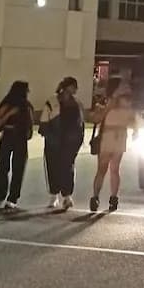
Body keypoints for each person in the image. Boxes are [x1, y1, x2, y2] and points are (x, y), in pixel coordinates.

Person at [89, 77, 135, 214]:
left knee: (112, 169)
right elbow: (96, 118)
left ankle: (110, 197)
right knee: (104, 169)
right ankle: (99, 197)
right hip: (110, 138)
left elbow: (133, 119)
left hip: (117, 137)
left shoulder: (124, 103)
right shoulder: (107, 103)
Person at [40, 77, 85, 211]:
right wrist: (49, 136)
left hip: (70, 142)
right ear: (67, 87)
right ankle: (54, 195)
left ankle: (67, 196)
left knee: (68, 168)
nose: (75, 89)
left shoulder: (77, 103)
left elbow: (80, 123)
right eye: (73, 86)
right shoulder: (52, 101)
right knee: (52, 167)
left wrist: (79, 140)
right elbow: (44, 121)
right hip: (54, 141)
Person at [0, 81, 34, 213]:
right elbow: (30, 127)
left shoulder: (6, 104)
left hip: (8, 136)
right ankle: (11, 198)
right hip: (19, 138)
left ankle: (1, 196)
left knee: (3, 167)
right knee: (17, 168)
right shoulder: (25, 106)